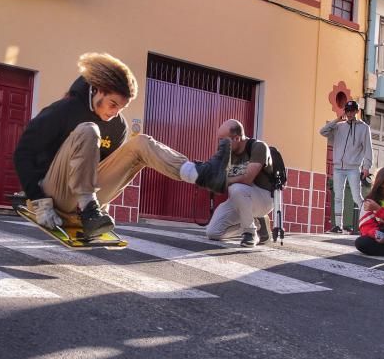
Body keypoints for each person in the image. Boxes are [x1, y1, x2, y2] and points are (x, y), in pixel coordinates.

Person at [13, 52, 231, 238]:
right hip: (51, 194)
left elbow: (105, 171)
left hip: (80, 203)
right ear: (97, 89)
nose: (114, 112)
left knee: (141, 143)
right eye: (112, 104)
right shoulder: (63, 110)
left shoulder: (118, 126)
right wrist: (38, 199)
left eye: (121, 107)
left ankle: (201, 174)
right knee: (89, 129)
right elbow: (23, 153)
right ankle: (89, 208)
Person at [205, 119, 274, 247]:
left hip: (263, 198)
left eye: (223, 140)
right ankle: (257, 224)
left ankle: (250, 233)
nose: (220, 144)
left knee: (236, 188)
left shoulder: (258, 147)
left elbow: (247, 179)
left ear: (236, 138)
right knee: (213, 232)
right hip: (240, 198)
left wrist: (223, 182)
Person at [319, 100, 372, 233]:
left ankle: (367, 224)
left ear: (356, 111)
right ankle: (338, 226)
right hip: (338, 167)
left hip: (353, 168)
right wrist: (337, 120)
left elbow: (368, 148)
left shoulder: (364, 128)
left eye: (352, 111)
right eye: (347, 111)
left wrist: (366, 166)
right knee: (337, 196)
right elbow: (323, 131)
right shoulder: (338, 126)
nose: (349, 113)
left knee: (356, 197)